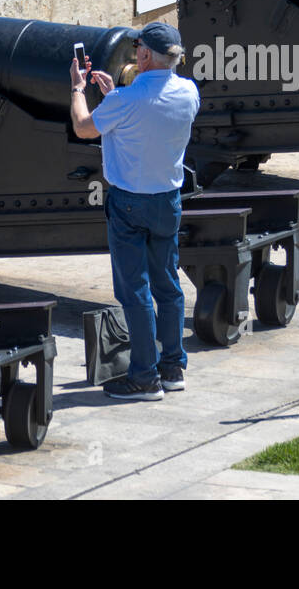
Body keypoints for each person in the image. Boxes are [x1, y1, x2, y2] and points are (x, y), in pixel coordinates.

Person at [69, 21, 201, 401]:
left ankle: (144, 377)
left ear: (144, 55)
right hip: (168, 200)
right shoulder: (189, 93)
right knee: (167, 285)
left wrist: (79, 88)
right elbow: (150, 116)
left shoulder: (125, 102)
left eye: (138, 48)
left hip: (129, 202)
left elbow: (83, 127)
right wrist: (115, 97)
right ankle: (172, 366)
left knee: (134, 289)